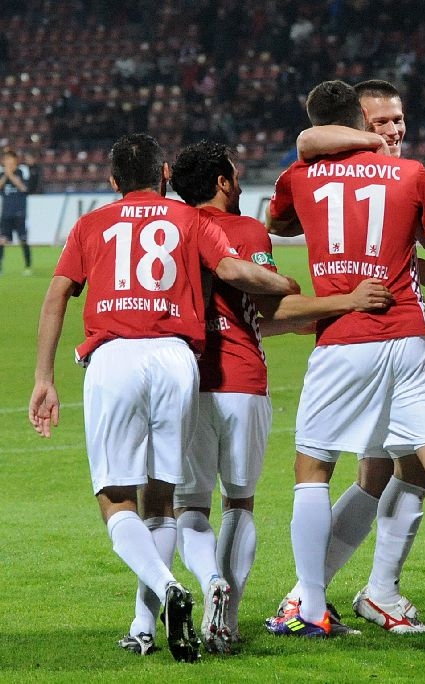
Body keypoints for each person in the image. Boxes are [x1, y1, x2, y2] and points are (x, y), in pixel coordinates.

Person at [28, 133, 299, 661]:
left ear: (113, 181)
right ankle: (144, 624)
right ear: (165, 174)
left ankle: (168, 586)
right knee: (163, 501)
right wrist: (281, 282)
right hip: (178, 360)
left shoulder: (90, 224)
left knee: (116, 499)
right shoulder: (188, 219)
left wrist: (44, 377)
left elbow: (58, 294)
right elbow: (231, 270)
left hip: (114, 355)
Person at [263, 80, 425, 644]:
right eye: (381, 123)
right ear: (356, 124)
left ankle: (317, 601)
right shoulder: (412, 176)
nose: (394, 130)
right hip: (407, 339)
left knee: (318, 471)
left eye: (399, 120)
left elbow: (279, 220)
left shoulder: (303, 176)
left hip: (345, 340)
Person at [162, 140, 393, 651]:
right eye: (236, 173)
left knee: (189, 506)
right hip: (241, 381)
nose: (240, 181)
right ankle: (228, 621)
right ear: (222, 182)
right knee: (239, 502)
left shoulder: (171, 228)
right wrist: (346, 302)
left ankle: (207, 583)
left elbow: (258, 318)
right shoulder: (245, 230)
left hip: (184, 379)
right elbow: (274, 307)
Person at [1, 148, 31, 276]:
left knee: (23, 240)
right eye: (6, 160)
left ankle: (28, 267)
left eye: (10, 160)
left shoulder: (21, 172)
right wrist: (6, 175)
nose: (8, 162)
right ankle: (0, 268)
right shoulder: (2, 174)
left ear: (15, 161)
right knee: (2, 240)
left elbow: (23, 187)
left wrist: (10, 175)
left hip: (19, 213)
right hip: (6, 213)